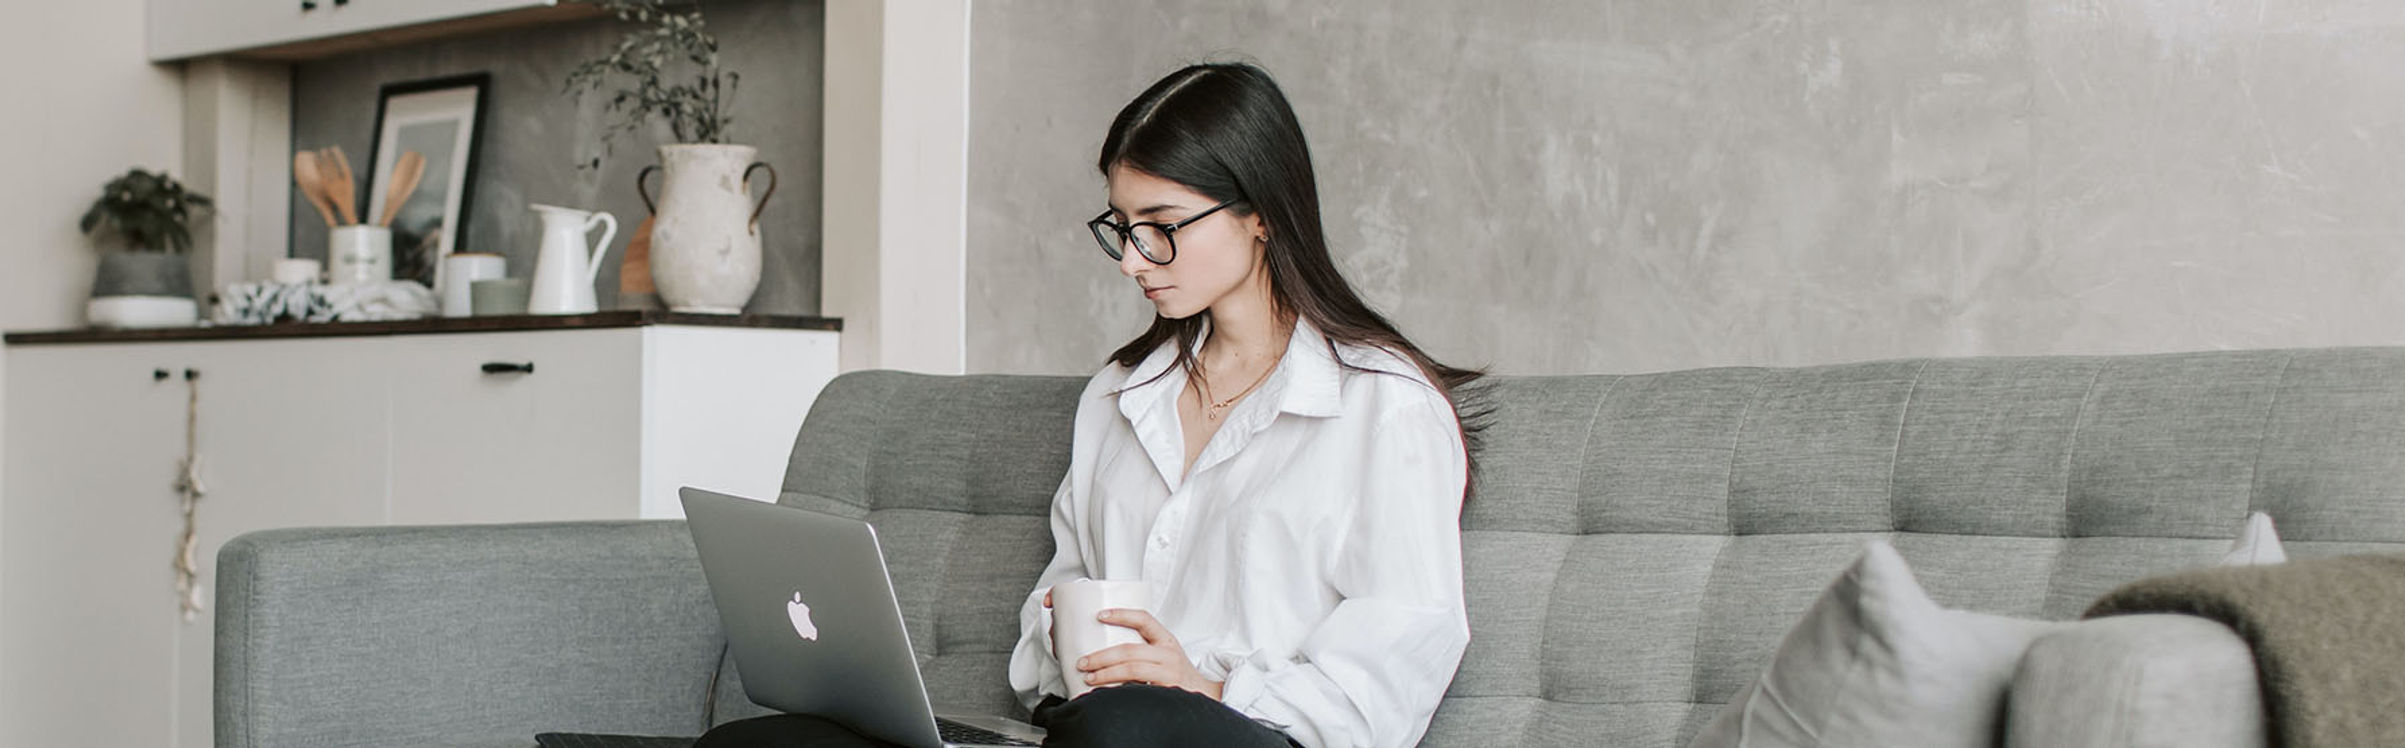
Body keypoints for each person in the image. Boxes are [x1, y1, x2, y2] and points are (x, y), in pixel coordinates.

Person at [698, 61, 1479, 748]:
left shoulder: (1382, 405)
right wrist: (1058, 633)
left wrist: (1205, 689)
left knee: (1125, 729)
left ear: (1260, 214)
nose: (1133, 261)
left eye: (1163, 228)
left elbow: (1396, 663)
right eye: (1123, 227)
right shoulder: (1121, 393)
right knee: (761, 743)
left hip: (1246, 735)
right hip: (1091, 730)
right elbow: (1057, 612)